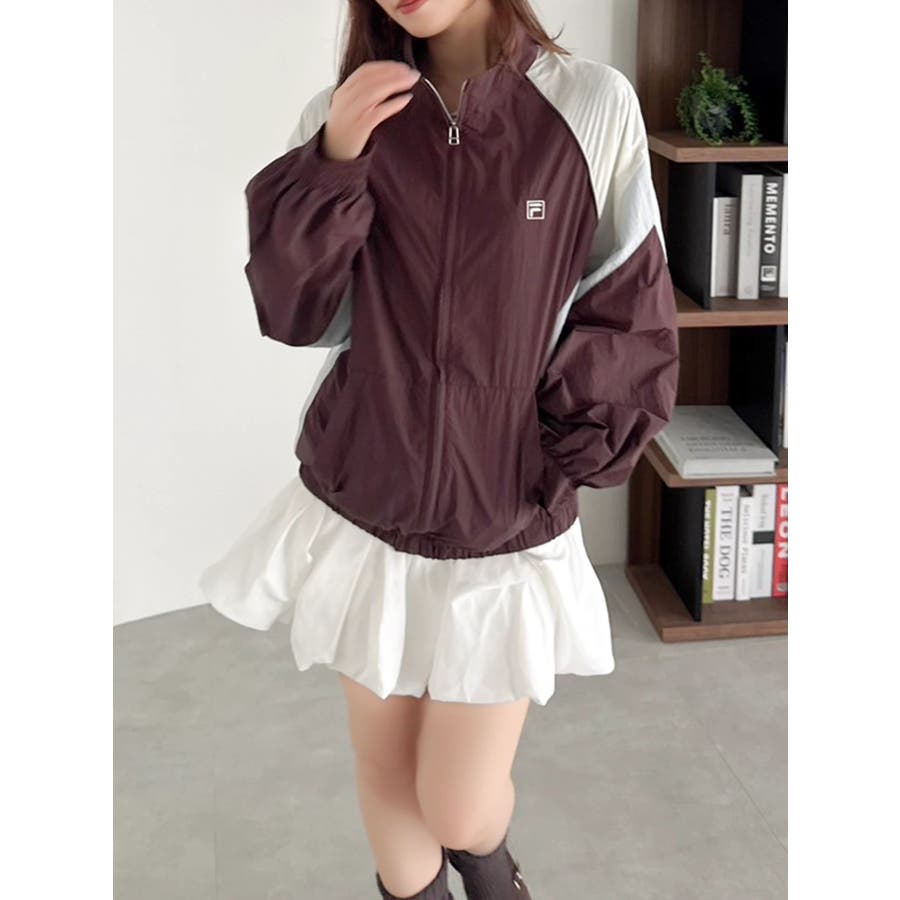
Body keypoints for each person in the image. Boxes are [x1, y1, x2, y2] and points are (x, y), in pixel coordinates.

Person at [198, 0, 680, 897]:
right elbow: (295, 311)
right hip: (364, 502)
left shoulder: (590, 104)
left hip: (503, 516)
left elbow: (625, 295)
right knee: (390, 790)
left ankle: (497, 880)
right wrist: (333, 160)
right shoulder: (344, 114)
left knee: (457, 808)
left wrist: (571, 450)